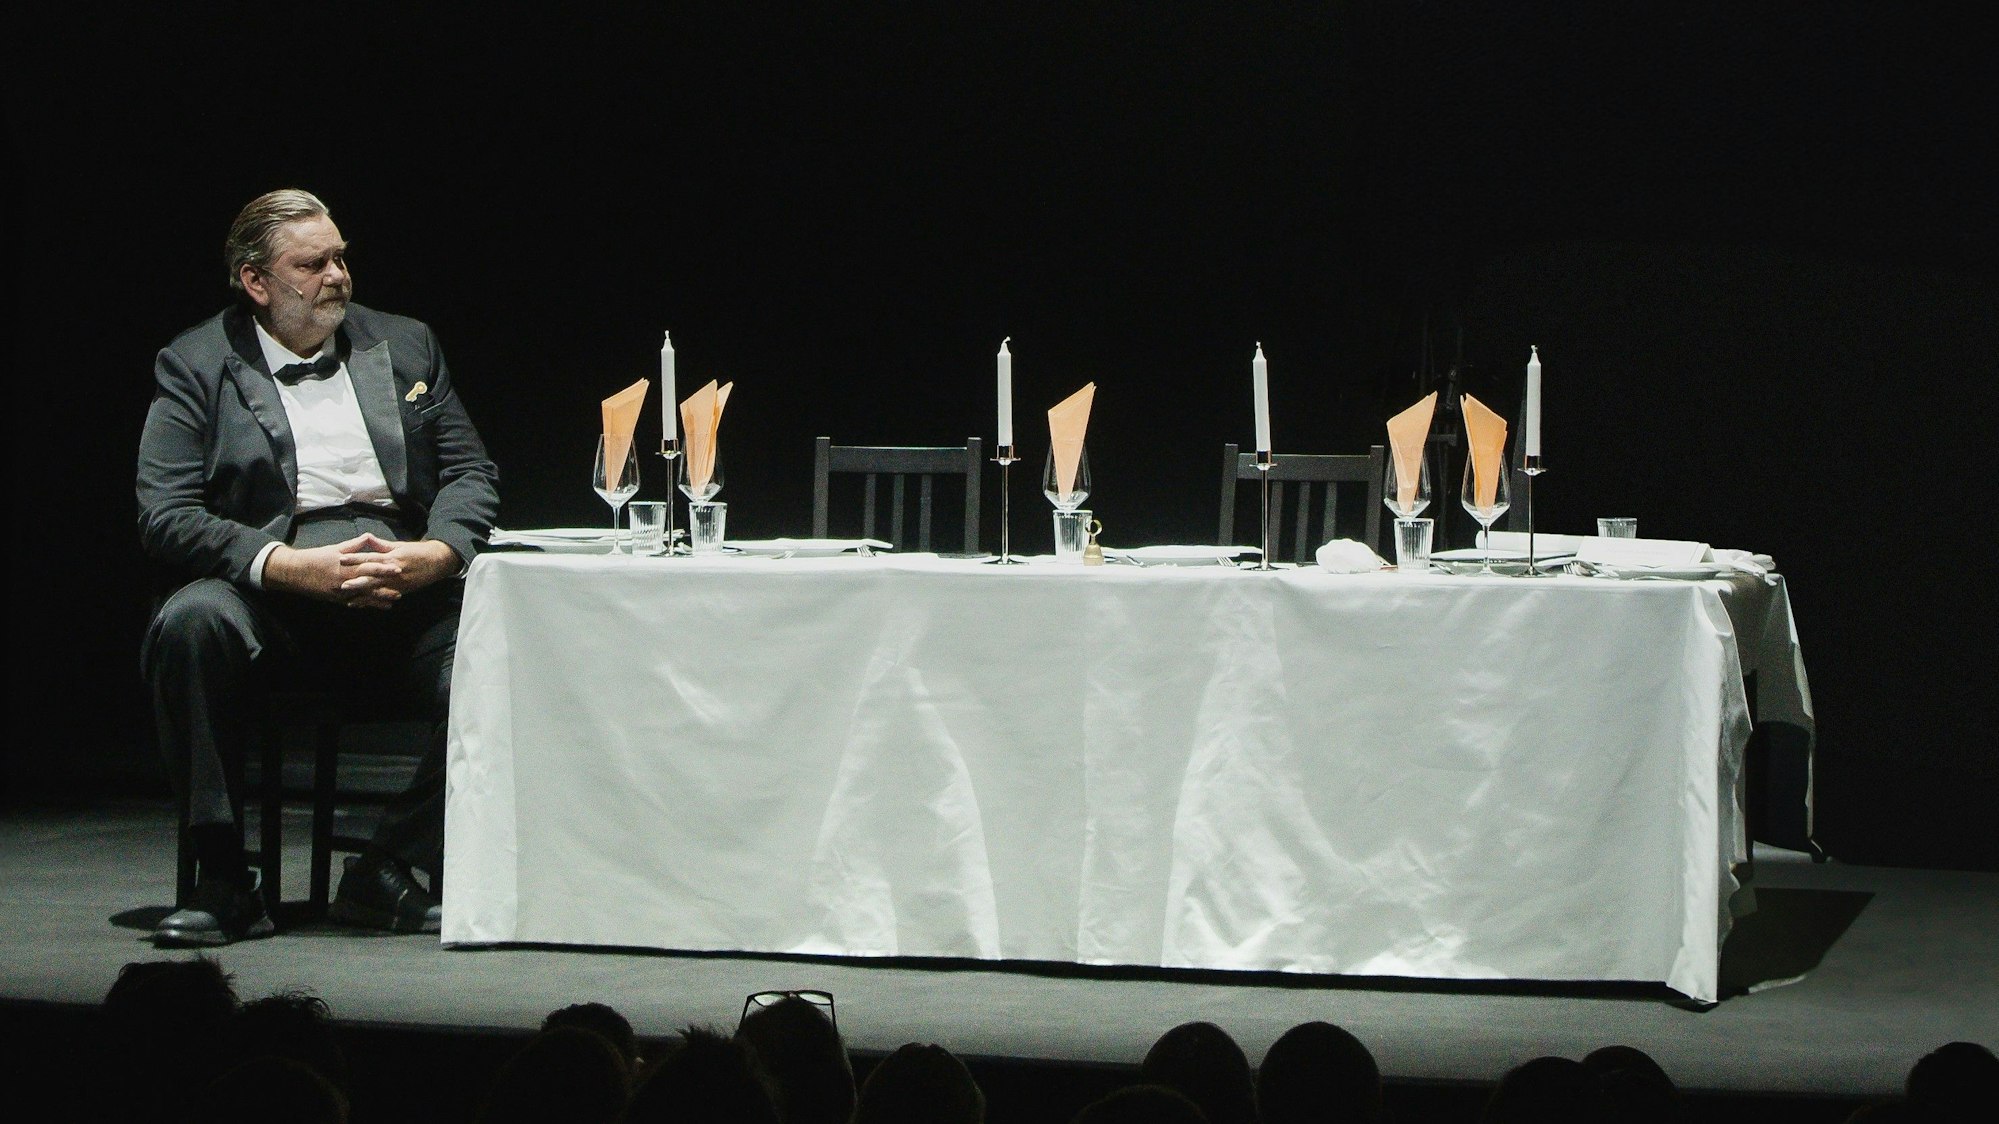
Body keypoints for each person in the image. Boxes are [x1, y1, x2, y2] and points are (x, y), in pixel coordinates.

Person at [139, 188, 500, 946]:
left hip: (400, 591)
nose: (338, 275)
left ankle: (385, 867)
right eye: (313, 263)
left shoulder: (404, 343)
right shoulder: (196, 364)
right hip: (274, 602)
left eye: (340, 257)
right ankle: (222, 876)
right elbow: (165, 513)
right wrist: (287, 567)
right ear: (256, 282)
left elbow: (471, 472)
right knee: (189, 621)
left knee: (511, 645)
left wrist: (435, 554)